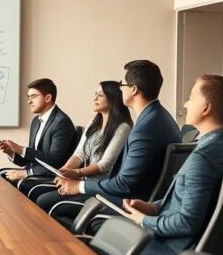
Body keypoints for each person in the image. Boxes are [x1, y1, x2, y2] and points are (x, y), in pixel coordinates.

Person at [117, 75, 223, 255]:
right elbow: (198, 203)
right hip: (214, 252)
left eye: (191, 97)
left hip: (173, 249)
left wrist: (143, 219)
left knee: (107, 239)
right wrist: (152, 207)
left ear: (206, 107)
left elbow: (187, 222)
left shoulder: (203, 158)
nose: (185, 103)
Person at [36, 60, 181, 222]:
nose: (119, 88)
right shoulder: (162, 118)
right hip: (138, 197)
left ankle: (77, 245)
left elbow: (124, 184)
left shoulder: (144, 129)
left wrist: (79, 186)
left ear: (133, 89)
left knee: (46, 202)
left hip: (129, 203)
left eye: (122, 84)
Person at [26, 81, 132, 202]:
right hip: (83, 182)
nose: (95, 97)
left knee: (43, 200)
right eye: (95, 94)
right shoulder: (93, 122)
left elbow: (105, 165)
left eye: (101, 95)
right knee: (38, 193)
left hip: (100, 187)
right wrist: (62, 172)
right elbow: (79, 154)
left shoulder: (123, 128)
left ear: (113, 99)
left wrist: (77, 173)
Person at [0, 78, 77, 194]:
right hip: (38, 173)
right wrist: (11, 152)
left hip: (53, 177)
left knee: (15, 182)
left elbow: (55, 161)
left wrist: (27, 172)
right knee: (2, 174)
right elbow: (31, 158)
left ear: (48, 98)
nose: (29, 101)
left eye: (33, 96)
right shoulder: (36, 121)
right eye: (28, 97)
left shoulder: (61, 122)